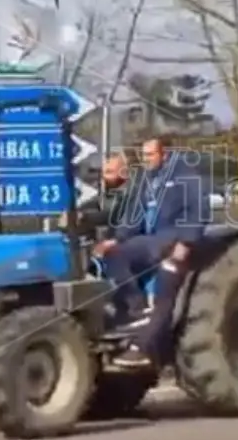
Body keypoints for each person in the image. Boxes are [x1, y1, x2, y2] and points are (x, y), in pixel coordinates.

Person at [95, 135, 206, 368]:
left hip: (172, 238)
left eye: (150, 155)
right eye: (143, 156)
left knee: (167, 288)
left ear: (164, 154)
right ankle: (136, 308)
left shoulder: (185, 175)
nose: (145, 160)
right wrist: (116, 240)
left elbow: (198, 209)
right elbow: (134, 215)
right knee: (114, 256)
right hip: (151, 240)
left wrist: (185, 243)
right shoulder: (148, 179)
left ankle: (143, 347)